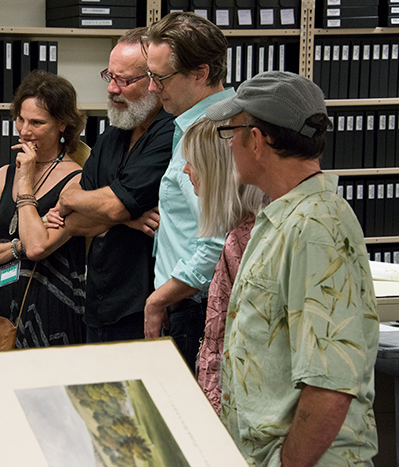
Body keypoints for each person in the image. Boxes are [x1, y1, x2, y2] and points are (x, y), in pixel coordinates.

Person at [207, 71, 379, 465]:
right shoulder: (283, 217)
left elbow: (330, 384)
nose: (229, 143)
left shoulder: (316, 228)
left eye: (231, 132)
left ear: (256, 139)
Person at [51, 28, 174, 343]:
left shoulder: (171, 133)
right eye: (109, 76)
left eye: (124, 80)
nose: (112, 89)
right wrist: (128, 218)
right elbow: (75, 222)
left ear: (154, 81)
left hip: (146, 310)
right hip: (100, 304)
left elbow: (112, 204)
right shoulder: (111, 136)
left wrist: (91, 203)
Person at [142, 12, 233, 372]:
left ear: (201, 72)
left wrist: (158, 300)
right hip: (183, 304)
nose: (151, 88)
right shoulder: (193, 123)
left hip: (193, 310)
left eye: (160, 78)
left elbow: (216, 240)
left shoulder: (211, 134)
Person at [0, 70, 86, 350]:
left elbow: (40, 249)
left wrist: (25, 183)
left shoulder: (78, 179)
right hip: (2, 305)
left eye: (37, 122)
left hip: (54, 307)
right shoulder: (3, 175)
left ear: (63, 124)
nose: (24, 130)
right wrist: (19, 245)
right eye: (21, 119)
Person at [180, 117, 267, 415]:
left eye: (192, 162)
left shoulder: (245, 239)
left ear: (215, 171)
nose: (185, 170)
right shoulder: (240, 232)